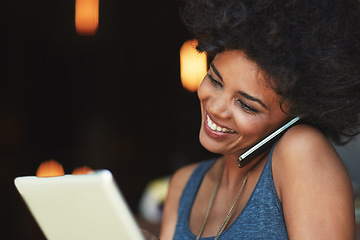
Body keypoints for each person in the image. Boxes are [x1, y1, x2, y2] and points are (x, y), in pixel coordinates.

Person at [158, 0, 360, 239]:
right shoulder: (183, 186)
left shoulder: (301, 151)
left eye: (246, 105)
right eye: (215, 80)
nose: (216, 107)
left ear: (297, 114)